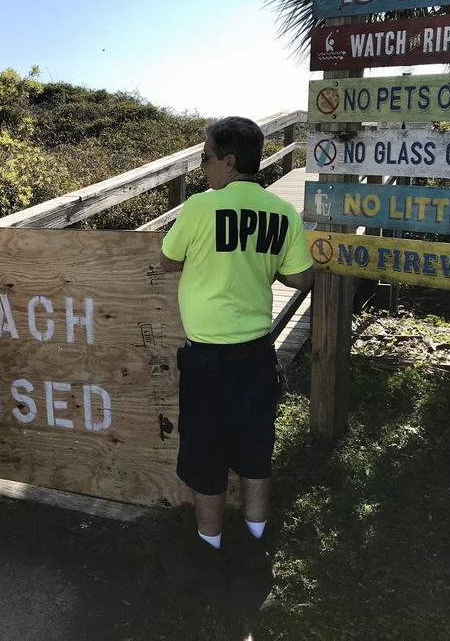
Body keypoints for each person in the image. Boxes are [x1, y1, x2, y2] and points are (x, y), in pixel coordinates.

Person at [159, 116, 313, 575]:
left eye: (204, 157)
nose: (202, 166)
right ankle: (257, 538)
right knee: (255, 447)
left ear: (228, 161)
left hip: (207, 359)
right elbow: (302, 277)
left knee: (205, 452)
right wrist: (263, 267)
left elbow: (168, 259)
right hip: (257, 356)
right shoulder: (281, 213)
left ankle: (209, 547)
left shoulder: (201, 208)